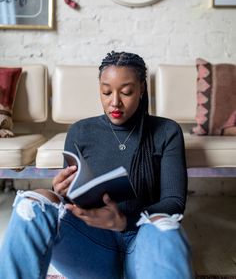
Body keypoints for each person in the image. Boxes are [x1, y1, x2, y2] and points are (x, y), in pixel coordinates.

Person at [0, 51, 194, 279]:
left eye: (126, 92)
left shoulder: (166, 131)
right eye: (106, 92)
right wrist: (61, 192)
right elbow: (72, 202)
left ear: (142, 88)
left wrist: (125, 222)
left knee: (164, 225)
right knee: (34, 202)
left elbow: (175, 201)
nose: (115, 102)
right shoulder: (80, 131)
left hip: (143, 243)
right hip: (93, 247)